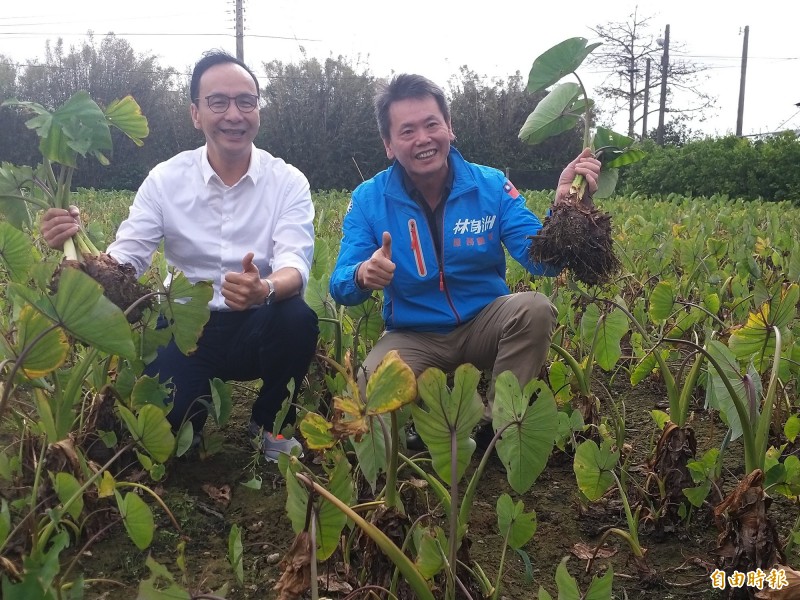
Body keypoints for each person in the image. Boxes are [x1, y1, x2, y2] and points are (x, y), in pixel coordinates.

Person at [41, 50, 319, 462]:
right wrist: (78, 250)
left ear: (258, 110)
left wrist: (264, 288)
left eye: (246, 101)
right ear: (195, 113)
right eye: (218, 102)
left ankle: (269, 424)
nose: (234, 114)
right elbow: (128, 257)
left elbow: (295, 262)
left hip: (259, 322)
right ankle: (192, 406)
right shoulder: (166, 179)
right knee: (173, 436)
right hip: (185, 325)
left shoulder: (287, 181)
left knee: (298, 317)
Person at [329, 73, 601, 447]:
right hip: (414, 334)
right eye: (407, 131)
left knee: (535, 308)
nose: (423, 139)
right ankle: (431, 421)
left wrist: (565, 206)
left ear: (450, 128)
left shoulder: (490, 186)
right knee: (367, 392)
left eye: (431, 124)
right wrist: (362, 274)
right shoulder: (368, 199)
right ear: (389, 144)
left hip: (482, 324)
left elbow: (544, 262)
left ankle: (495, 425)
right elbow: (340, 284)